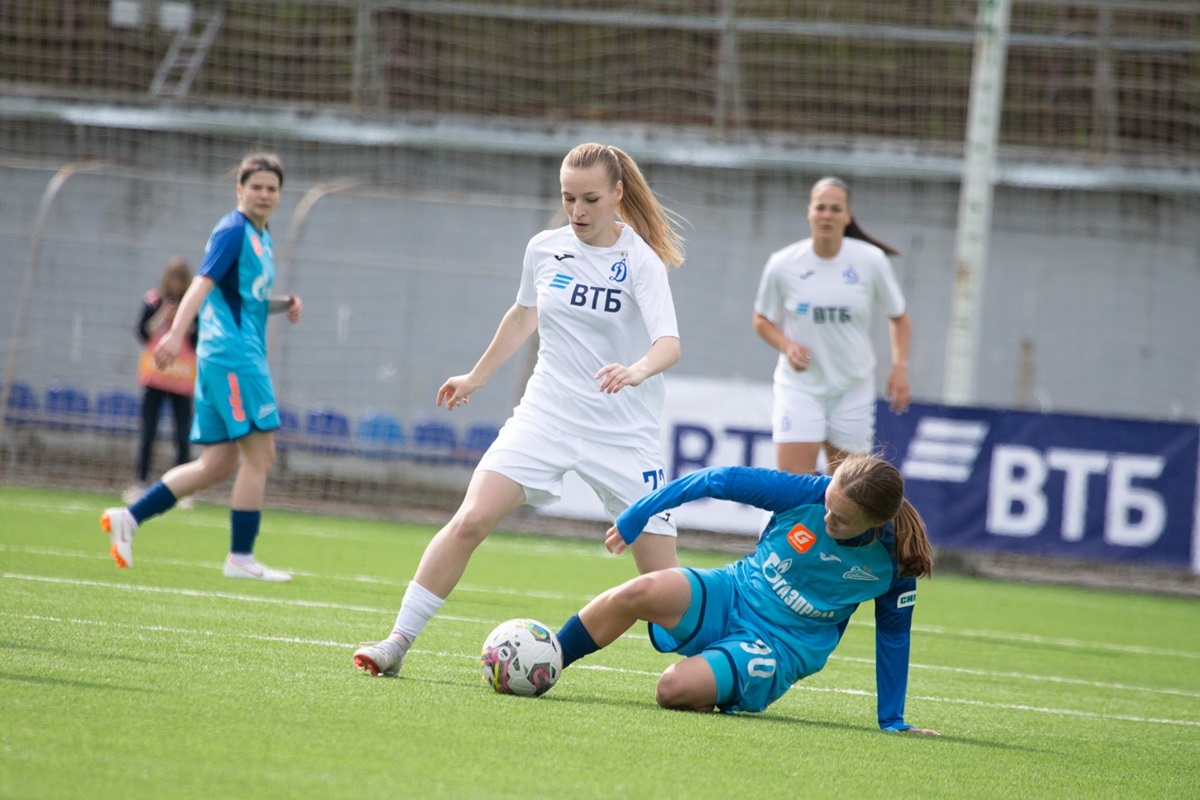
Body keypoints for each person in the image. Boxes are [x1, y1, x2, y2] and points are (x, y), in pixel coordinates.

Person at [354, 142, 688, 677]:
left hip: (624, 435)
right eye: (568, 198)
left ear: (618, 194)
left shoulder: (640, 262)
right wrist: (475, 377)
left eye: (591, 199)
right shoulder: (545, 249)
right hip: (546, 416)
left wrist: (637, 369)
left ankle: (713, 660)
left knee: (665, 592)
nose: (577, 211)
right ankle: (395, 643)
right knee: (470, 519)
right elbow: (520, 316)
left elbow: (668, 343)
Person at [551, 454, 938, 733]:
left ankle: (719, 680)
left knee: (671, 690)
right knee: (639, 592)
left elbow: (893, 636)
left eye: (840, 519)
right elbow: (715, 478)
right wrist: (639, 513)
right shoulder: (805, 493)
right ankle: (548, 660)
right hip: (734, 590)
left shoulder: (896, 560)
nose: (826, 517)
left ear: (876, 522)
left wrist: (892, 721)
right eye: (828, 503)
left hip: (781, 645)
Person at [101, 152, 303, 582]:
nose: (264, 194)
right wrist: (175, 332)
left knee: (216, 465)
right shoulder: (233, 230)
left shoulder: (261, 237)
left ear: (280, 195)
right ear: (240, 190)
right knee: (261, 453)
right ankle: (241, 558)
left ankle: (129, 519)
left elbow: (241, 298)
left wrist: (282, 304)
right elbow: (203, 283)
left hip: (230, 355)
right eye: (256, 187)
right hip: (233, 358)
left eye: (272, 188)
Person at [752, 176, 911, 475]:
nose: (827, 215)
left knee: (849, 495)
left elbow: (899, 316)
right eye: (820, 208)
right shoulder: (783, 264)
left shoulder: (870, 261)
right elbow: (762, 318)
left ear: (847, 215)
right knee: (793, 492)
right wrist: (787, 346)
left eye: (835, 209)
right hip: (800, 389)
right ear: (809, 212)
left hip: (852, 389)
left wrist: (900, 366)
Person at [125, 256, 198, 506]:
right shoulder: (153, 300)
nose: (176, 284)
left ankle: (183, 490)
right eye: (173, 278)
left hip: (182, 379)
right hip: (155, 376)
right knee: (148, 432)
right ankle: (140, 481)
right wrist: (163, 316)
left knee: (182, 435)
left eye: (181, 279)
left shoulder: (194, 305)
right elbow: (142, 332)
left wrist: (182, 321)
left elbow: (199, 339)